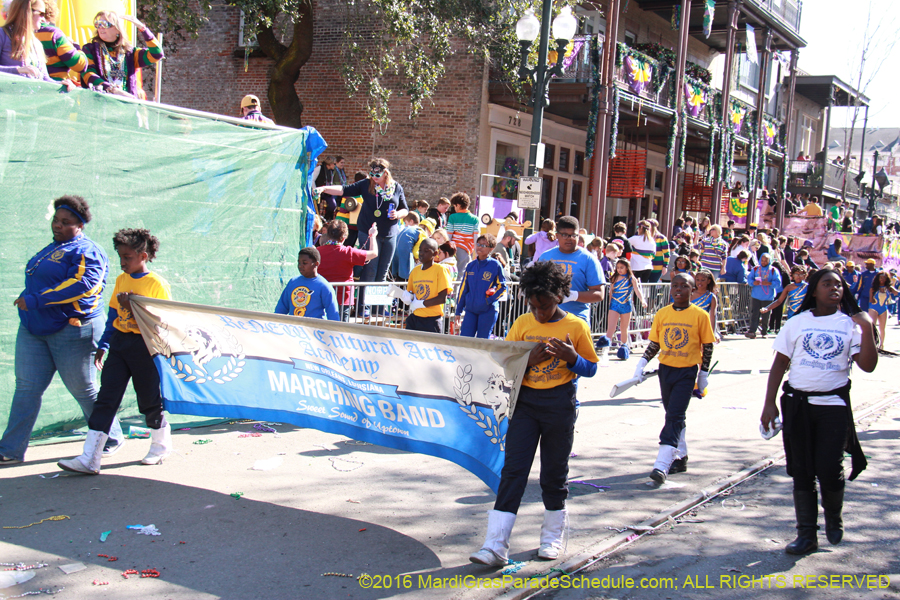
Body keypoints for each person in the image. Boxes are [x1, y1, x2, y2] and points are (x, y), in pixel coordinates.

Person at [469, 261, 598, 567]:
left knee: (554, 472)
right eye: (534, 306)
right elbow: (504, 363)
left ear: (559, 296)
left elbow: (591, 368)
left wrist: (572, 358)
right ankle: (495, 544)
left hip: (559, 404)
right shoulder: (523, 324)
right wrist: (527, 360)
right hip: (525, 404)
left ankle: (552, 537)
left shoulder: (576, 327)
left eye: (546, 305)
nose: (540, 312)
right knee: (513, 471)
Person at [0, 196, 124, 466]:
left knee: (83, 389)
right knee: (26, 388)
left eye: (66, 222)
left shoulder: (87, 251)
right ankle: (10, 449)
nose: (58, 225)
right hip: (34, 329)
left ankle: (110, 436)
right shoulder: (54, 247)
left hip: (72, 330)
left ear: (80, 225)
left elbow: (83, 286)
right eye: (56, 220)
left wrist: (35, 300)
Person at [760, 269, 877, 555]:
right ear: (815, 290)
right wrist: (769, 403)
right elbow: (779, 364)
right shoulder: (798, 322)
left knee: (828, 467)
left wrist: (868, 327)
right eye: (827, 284)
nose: (834, 288)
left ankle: (833, 518)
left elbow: (868, 365)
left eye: (838, 285)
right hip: (798, 405)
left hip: (833, 406)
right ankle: (806, 535)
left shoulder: (849, 324)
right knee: (801, 470)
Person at [58, 228, 173, 474]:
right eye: (120, 256)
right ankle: (90, 458)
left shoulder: (156, 284)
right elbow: (113, 315)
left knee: (149, 400)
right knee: (106, 399)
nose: (122, 262)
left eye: (128, 257)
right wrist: (105, 344)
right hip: (120, 345)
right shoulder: (122, 279)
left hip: (146, 347)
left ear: (143, 256)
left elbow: (162, 323)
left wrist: (131, 308)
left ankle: (160, 446)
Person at [634, 272, 715, 484]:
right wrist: (642, 362)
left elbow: (707, 345)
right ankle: (681, 456)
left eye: (684, 286)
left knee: (674, 416)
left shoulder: (700, 315)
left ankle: (662, 464)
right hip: (666, 370)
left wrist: (703, 373)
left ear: (692, 289)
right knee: (673, 413)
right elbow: (655, 343)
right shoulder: (662, 314)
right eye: (675, 286)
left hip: (687, 372)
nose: (679, 289)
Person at [317, 158, 409, 313]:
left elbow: (405, 209)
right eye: (372, 173)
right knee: (370, 270)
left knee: (383, 272)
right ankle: (363, 307)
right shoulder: (366, 185)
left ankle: (378, 308)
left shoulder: (396, 187)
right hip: (368, 231)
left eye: (377, 174)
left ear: (385, 173)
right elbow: (344, 190)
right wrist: (324, 188)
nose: (374, 177)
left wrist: (398, 214)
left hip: (389, 234)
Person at [538, 217, 606, 325]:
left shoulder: (589, 259)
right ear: (557, 235)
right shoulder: (545, 257)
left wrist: (573, 296)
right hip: (548, 318)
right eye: (564, 235)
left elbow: (599, 294)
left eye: (573, 235)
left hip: (577, 320)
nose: (569, 238)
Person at [81, 11, 163, 97]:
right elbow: (88, 75)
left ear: (118, 29)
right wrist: (112, 89)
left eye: (105, 24)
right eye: (98, 24)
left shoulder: (129, 53)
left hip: (125, 106)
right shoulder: (90, 49)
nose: (100, 27)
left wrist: (142, 28)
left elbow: (157, 54)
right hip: (100, 105)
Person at [0, 0, 74, 87]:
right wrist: (18, 70)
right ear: (27, 11)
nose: (44, 19)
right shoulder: (3, 34)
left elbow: (45, 79)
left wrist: (61, 84)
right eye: (41, 14)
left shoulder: (37, 44)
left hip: (30, 99)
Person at [317, 220, 378, 322]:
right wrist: (373, 236)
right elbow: (374, 253)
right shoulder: (348, 252)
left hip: (321, 298)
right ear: (344, 237)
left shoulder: (317, 252)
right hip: (342, 300)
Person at [455, 234, 506, 339]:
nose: (479, 247)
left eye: (483, 245)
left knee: (482, 343)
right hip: (470, 310)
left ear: (491, 249)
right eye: (478, 244)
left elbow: (503, 287)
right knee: (465, 340)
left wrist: (489, 300)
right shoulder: (471, 265)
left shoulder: (495, 265)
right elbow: (463, 289)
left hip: (488, 311)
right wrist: (458, 311)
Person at [400, 239, 452, 333]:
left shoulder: (440, 270)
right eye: (420, 250)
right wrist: (406, 297)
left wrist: (421, 303)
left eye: (426, 250)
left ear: (435, 253)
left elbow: (442, 298)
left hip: (431, 321)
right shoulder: (415, 271)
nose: (422, 253)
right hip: (415, 319)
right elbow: (411, 293)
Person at [274, 247, 340, 321]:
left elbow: (333, 313)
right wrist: (275, 322)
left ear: (316, 264)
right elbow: (281, 308)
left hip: (313, 330)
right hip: (294, 329)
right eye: (299, 262)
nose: (300, 266)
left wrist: (334, 330)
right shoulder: (293, 282)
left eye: (304, 263)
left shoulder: (323, 286)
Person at [37, 0, 87, 84]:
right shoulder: (53, 34)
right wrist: (75, 46)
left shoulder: (15, 32)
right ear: (50, 13)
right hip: (57, 87)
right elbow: (80, 65)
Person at [605, 258, 646, 349]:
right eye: (618, 267)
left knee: (624, 329)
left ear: (627, 268)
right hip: (614, 305)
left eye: (622, 267)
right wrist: (609, 303)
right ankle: (605, 349)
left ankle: (624, 348)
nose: (619, 269)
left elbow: (637, 290)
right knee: (611, 328)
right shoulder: (614, 278)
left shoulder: (631, 278)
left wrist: (642, 300)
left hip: (626, 305)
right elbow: (611, 292)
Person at [746, 253, 782, 339]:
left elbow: (778, 283)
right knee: (755, 314)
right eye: (762, 260)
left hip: (768, 297)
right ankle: (752, 331)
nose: (764, 262)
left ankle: (764, 331)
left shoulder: (773, 270)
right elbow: (749, 279)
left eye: (766, 261)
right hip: (756, 295)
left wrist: (770, 283)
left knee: (766, 315)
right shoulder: (755, 269)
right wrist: (753, 282)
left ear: (769, 261)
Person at [446, 192, 480, 274]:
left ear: (458, 205)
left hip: (453, 248)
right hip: (467, 249)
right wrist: (477, 251)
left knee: (452, 273)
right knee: (462, 273)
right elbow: (476, 237)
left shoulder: (452, 217)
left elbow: (449, 235)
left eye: (454, 206)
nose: (454, 208)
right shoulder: (475, 219)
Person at [391, 212, 425, 282]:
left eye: (406, 223)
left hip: (396, 254)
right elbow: (419, 248)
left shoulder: (405, 230)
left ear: (411, 221)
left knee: (398, 274)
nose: (405, 225)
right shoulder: (419, 231)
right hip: (406, 255)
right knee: (407, 275)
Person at [868, 271, 898, 350]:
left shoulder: (888, 288)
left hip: (883, 309)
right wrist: (871, 294)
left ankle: (881, 345)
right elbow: (871, 300)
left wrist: (895, 292)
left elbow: (896, 293)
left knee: (882, 328)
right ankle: (872, 343)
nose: (882, 279)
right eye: (881, 277)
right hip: (873, 308)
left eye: (884, 278)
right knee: (872, 326)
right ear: (878, 278)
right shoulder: (873, 288)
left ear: (886, 279)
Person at [691, 269, 719, 342]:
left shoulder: (711, 297)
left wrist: (713, 333)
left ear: (708, 281)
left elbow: (713, 316)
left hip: (703, 325)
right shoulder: (690, 294)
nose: (700, 282)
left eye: (703, 280)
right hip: (689, 325)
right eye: (698, 280)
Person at [315, 156, 339, 221]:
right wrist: (314, 189)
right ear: (329, 163)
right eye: (334, 164)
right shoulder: (319, 168)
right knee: (317, 206)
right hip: (318, 191)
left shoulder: (331, 171)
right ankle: (317, 219)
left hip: (327, 191)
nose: (335, 165)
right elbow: (312, 179)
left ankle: (325, 219)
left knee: (333, 205)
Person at [649, 219, 670, 283]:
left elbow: (667, 254)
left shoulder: (661, 238)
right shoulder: (643, 237)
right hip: (645, 266)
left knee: (652, 286)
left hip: (657, 267)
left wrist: (665, 266)